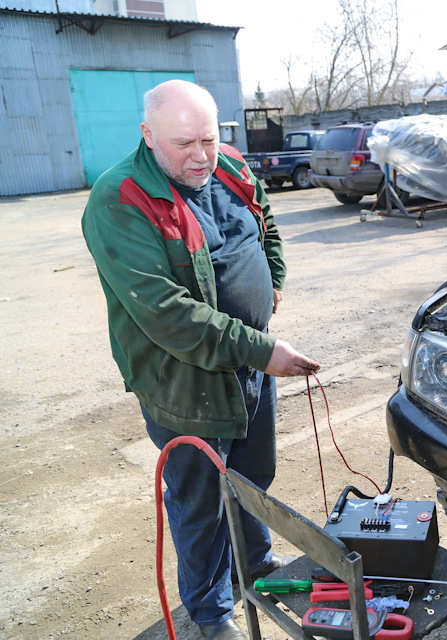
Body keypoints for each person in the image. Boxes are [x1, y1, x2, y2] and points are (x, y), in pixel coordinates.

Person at [82, 79, 319, 640]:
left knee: (252, 477)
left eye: (209, 140)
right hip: (185, 383)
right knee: (201, 501)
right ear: (147, 135)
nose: (200, 156)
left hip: (250, 367)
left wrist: (273, 283)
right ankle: (211, 614)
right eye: (183, 143)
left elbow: (267, 225)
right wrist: (263, 350)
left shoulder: (231, 168)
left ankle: (253, 568)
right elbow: (168, 314)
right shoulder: (119, 200)